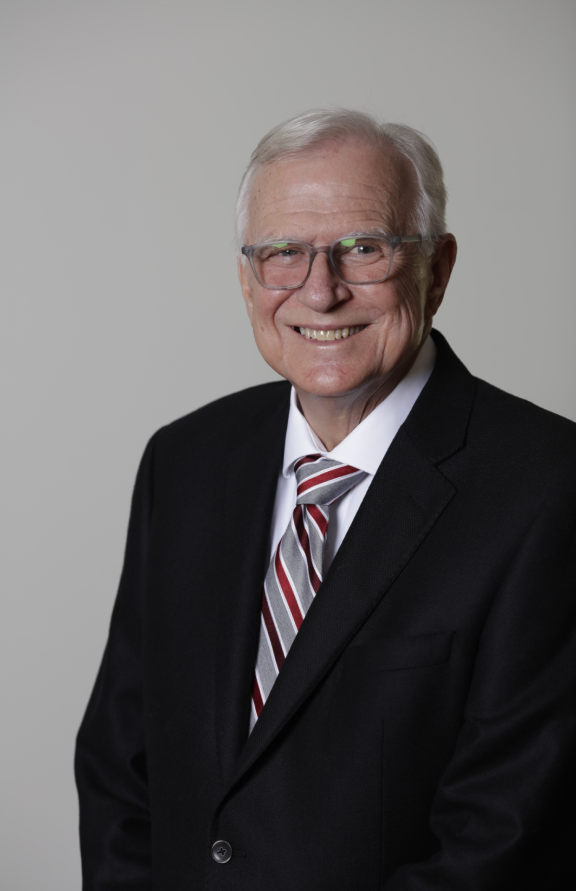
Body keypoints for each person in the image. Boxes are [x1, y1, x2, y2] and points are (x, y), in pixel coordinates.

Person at [75, 109, 576, 890]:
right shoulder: (184, 462)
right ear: (247, 279)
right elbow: (120, 765)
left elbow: (503, 836)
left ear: (437, 269)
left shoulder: (548, 485)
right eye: (283, 252)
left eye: (363, 248)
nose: (321, 290)